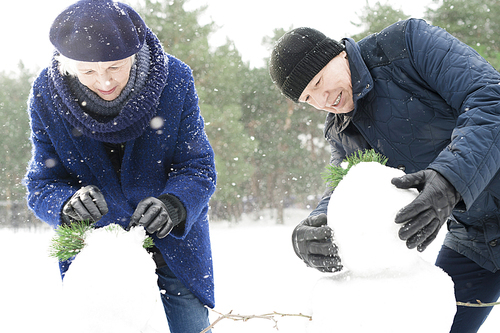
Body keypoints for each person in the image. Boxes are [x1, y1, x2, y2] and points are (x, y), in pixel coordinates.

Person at [269, 19, 500, 333]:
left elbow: (490, 99)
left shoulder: (409, 45)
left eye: (320, 81)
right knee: (437, 324)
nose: (323, 100)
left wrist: (448, 180)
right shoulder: (343, 130)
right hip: (479, 239)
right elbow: (345, 188)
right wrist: (313, 229)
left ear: (337, 54)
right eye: (309, 98)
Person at [23, 1, 216, 332]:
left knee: (190, 323)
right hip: (98, 250)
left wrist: (175, 204)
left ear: (134, 53)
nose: (104, 82)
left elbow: (197, 167)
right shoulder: (46, 95)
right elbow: (42, 184)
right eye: (88, 72)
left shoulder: (175, 80)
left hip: (170, 238)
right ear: (67, 65)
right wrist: (68, 205)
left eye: (114, 67)